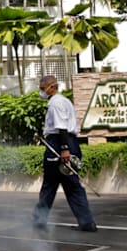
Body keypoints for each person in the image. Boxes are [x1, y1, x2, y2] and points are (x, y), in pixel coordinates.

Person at [33, 75, 97, 232]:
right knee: (71, 185)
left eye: (43, 88)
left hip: (60, 143)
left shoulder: (55, 103)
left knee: (49, 185)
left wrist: (64, 148)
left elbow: (61, 127)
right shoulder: (64, 101)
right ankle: (86, 222)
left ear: (52, 87)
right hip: (70, 143)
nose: (41, 91)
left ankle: (39, 221)